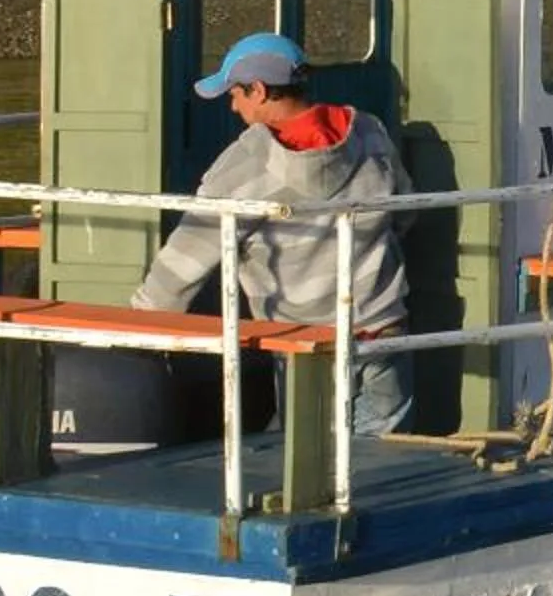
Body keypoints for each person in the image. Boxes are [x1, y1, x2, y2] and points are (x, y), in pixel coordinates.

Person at [133, 31, 414, 437]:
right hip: (383, 332)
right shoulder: (369, 133)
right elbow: (404, 212)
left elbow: (185, 262)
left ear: (260, 90)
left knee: (304, 459)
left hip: (305, 345)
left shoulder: (246, 163)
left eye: (235, 93)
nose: (232, 105)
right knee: (391, 467)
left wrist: (139, 323)